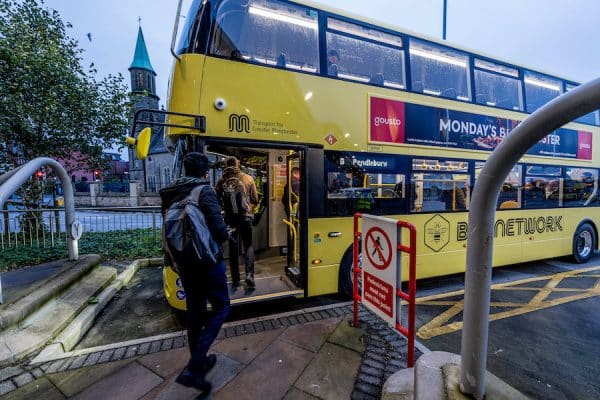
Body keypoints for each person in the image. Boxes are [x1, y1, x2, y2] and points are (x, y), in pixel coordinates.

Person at [160, 152, 230, 397]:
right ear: (204, 172)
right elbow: (219, 231)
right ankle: (193, 366)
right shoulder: (204, 191)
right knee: (221, 307)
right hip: (207, 262)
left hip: (184, 264)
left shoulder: (171, 193)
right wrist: (226, 232)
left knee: (195, 313)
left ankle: (198, 365)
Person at [216, 156, 259, 288]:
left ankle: (235, 279)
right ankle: (249, 276)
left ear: (226, 165)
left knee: (233, 248)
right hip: (245, 217)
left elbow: (217, 202)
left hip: (230, 219)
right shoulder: (247, 178)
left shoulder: (221, 180)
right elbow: (255, 199)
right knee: (248, 246)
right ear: (238, 164)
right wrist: (249, 206)